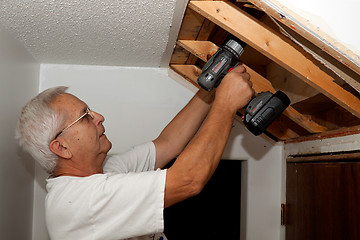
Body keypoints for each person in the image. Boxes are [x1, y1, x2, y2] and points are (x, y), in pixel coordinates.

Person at [15, 65, 254, 240]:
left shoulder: (102, 172)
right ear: (62, 147)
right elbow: (188, 180)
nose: (99, 117)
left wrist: (211, 89)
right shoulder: (79, 202)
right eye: (85, 116)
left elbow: (168, 144)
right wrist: (226, 104)